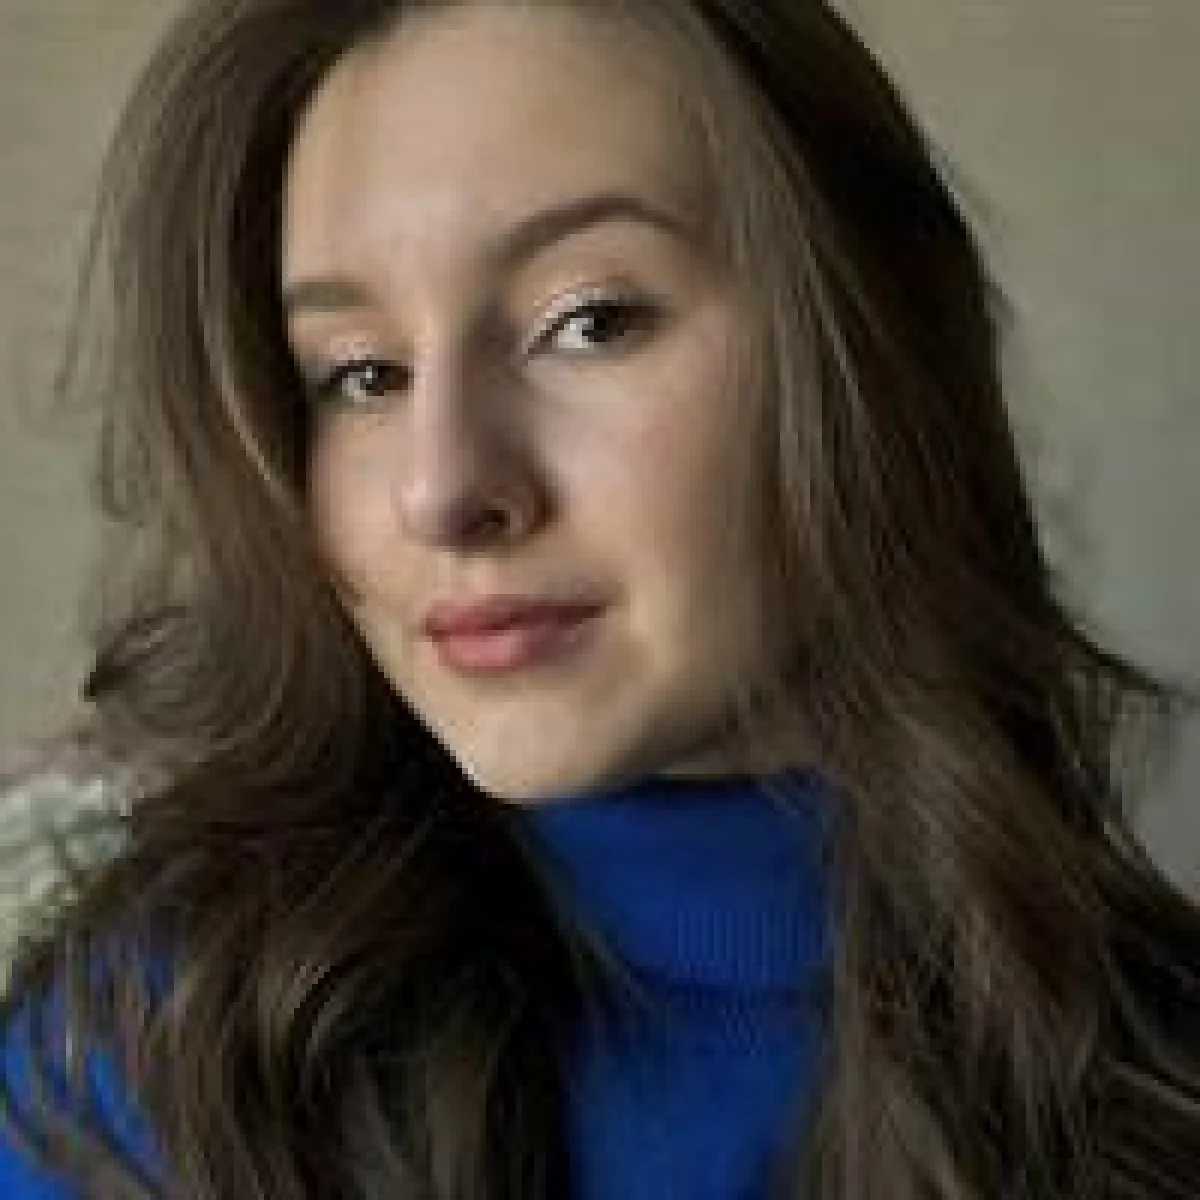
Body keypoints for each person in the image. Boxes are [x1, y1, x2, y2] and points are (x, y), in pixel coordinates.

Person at [2, 0, 1198, 1196]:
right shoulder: (149, 1059)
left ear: (877, 348)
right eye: (362, 374)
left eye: (590, 322)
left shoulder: (1156, 1078)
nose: (442, 491)